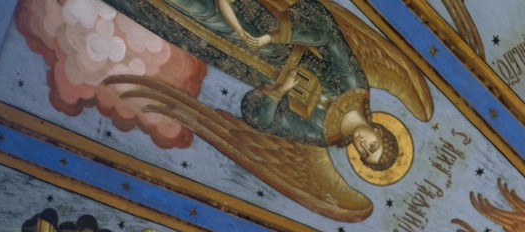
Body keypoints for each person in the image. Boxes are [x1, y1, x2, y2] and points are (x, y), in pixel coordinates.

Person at [99, 0, 397, 169]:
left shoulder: (322, 133)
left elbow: (261, 119)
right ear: (379, 131)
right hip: (261, 33)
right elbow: (326, 30)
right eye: (372, 145)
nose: (362, 146)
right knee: (201, 7)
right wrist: (275, 35)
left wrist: (278, 92)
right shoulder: (354, 87)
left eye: (364, 154)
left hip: (239, 62)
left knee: (177, 21)